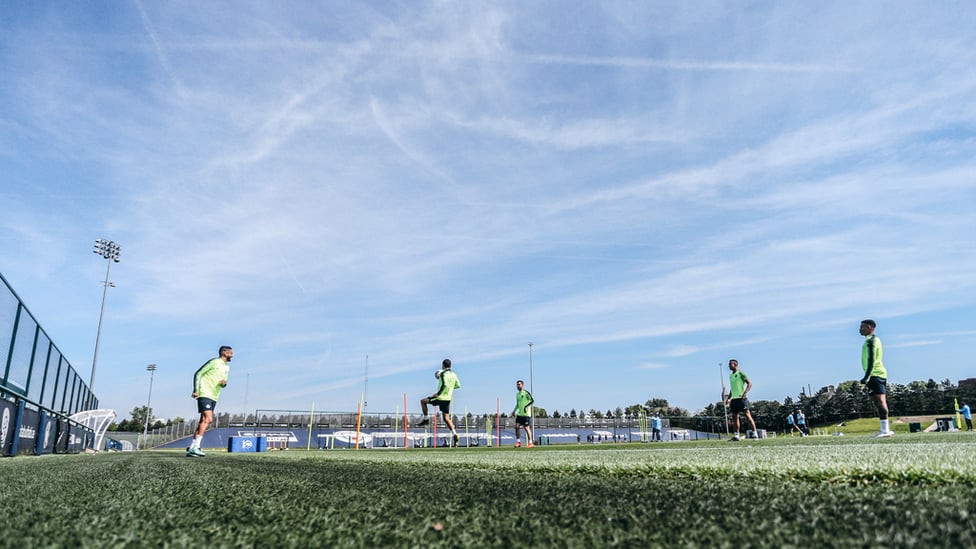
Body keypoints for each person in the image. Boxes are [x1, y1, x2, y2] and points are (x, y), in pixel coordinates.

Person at [187, 345, 233, 457]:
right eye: (230, 353)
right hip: (204, 393)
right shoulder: (214, 362)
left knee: (203, 420)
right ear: (224, 353)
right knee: (208, 419)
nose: (232, 355)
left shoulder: (227, 367)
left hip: (214, 396)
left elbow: (224, 383)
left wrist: (224, 384)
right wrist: (196, 389)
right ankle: (197, 447)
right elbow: (198, 373)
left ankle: (192, 448)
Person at [417, 358, 461, 446]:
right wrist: (450, 388)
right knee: (446, 418)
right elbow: (457, 385)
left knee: (423, 401)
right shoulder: (454, 375)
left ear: (443, 365)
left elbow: (444, 384)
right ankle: (455, 434)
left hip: (440, 397)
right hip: (448, 399)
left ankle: (426, 419)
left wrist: (438, 393)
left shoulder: (443, 374)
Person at [860, 319, 893, 438]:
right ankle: (885, 429)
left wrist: (866, 377)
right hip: (878, 374)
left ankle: (885, 431)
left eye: (862, 327)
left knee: (880, 402)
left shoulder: (871, 341)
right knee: (879, 402)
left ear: (870, 328)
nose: (860, 329)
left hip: (875, 374)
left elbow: (871, 360)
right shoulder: (873, 340)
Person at [725, 359, 757, 441]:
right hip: (734, 400)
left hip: (742, 399)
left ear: (735, 365)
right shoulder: (731, 376)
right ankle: (736, 435)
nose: (728, 366)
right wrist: (729, 398)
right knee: (735, 417)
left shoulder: (741, 373)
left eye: (730, 364)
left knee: (747, 416)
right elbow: (732, 389)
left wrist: (745, 393)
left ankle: (755, 434)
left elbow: (749, 383)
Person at [512, 379, 534, 448]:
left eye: (519, 384)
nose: (518, 386)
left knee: (526, 428)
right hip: (520, 414)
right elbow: (518, 404)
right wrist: (514, 411)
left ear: (522, 385)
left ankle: (531, 443)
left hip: (526, 414)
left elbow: (532, 401)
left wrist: (525, 407)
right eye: (517, 385)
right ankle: (518, 442)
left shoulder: (526, 393)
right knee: (516, 426)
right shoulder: (517, 394)